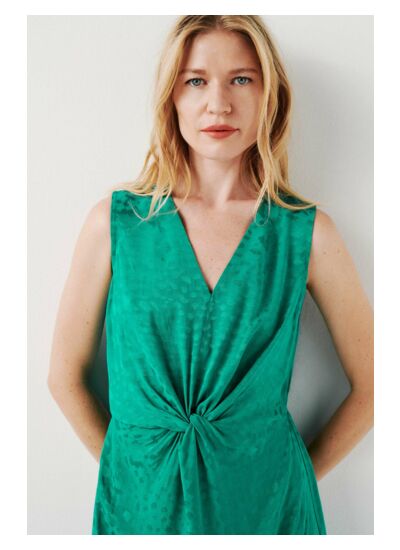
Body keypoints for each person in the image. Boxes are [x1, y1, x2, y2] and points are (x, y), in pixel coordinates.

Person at [47, 15, 374, 535]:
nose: (218, 103)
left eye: (241, 79)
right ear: (171, 97)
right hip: (140, 507)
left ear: (269, 95)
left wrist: (288, 479)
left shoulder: (307, 234)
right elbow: (64, 377)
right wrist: (132, 469)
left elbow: (378, 384)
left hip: (270, 514)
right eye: (196, 80)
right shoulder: (115, 224)